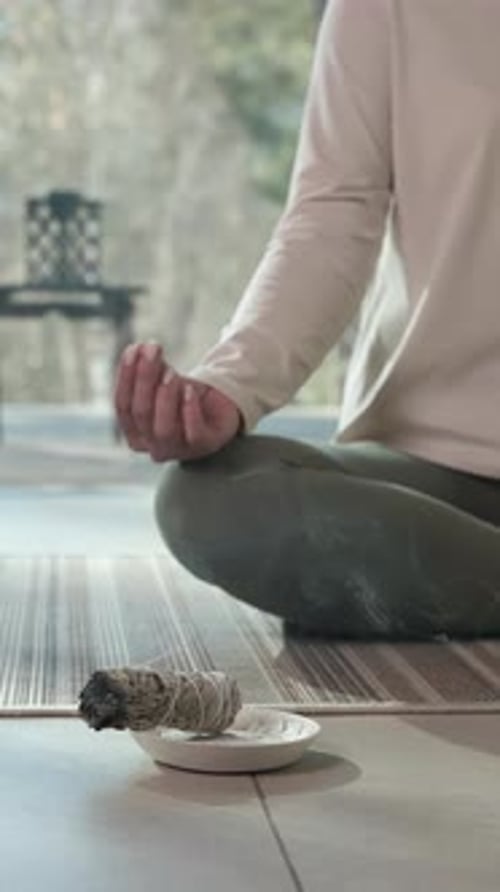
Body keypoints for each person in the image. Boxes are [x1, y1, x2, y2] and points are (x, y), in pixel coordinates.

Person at [114, 0, 500, 641]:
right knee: (207, 500)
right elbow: (333, 215)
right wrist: (231, 386)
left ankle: (461, 586)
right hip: (433, 469)